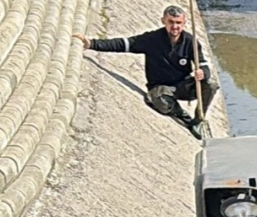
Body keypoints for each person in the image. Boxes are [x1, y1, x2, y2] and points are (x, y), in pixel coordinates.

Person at [75, 5, 217, 139]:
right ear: (163, 21)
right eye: (171, 22)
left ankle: (198, 119)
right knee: (158, 99)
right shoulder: (152, 39)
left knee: (211, 84)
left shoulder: (190, 41)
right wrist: (92, 44)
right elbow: (125, 44)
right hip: (161, 88)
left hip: (183, 86)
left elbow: (203, 64)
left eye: (179, 23)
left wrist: (203, 72)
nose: (175, 27)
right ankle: (183, 117)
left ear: (184, 23)